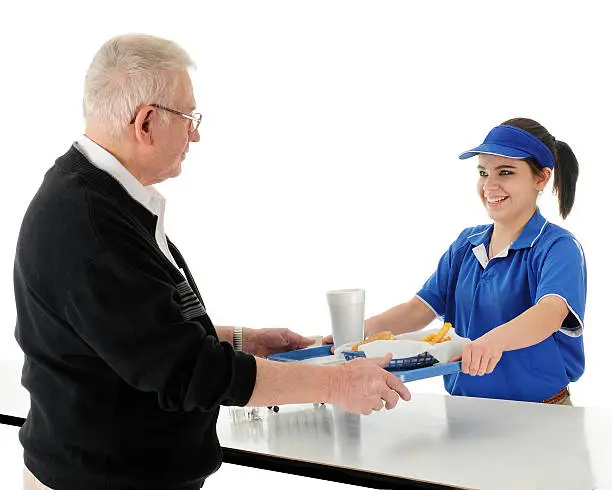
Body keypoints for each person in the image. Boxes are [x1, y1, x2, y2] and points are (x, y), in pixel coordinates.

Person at [14, 34, 411, 490]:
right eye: (188, 117)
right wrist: (337, 385)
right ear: (145, 123)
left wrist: (244, 340)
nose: (195, 133)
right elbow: (186, 372)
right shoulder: (91, 225)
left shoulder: (96, 199)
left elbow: (139, 334)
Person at [326, 118, 586, 405]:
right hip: (466, 411)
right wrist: (355, 334)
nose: (490, 185)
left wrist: (492, 342)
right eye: (483, 172)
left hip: (542, 413)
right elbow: (418, 309)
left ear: (541, 178)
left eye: (506, 172)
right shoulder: (466, 244)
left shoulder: (558, 247)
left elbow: (549, 313)